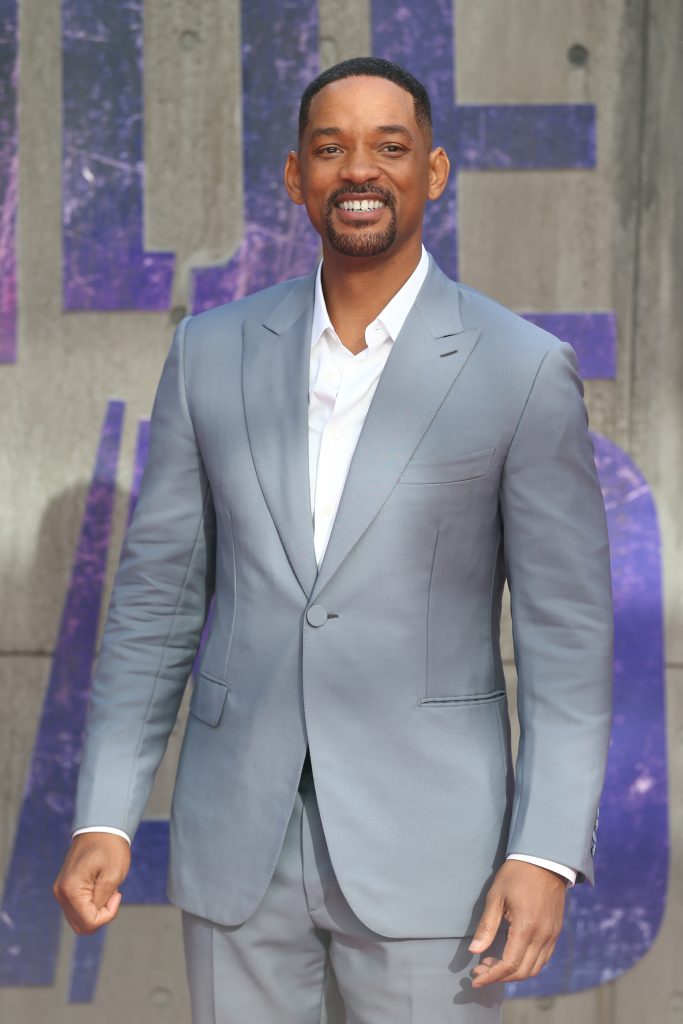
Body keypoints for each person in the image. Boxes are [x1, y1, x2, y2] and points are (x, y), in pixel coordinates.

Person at [54, 57, 613, 1023]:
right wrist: (106, 809)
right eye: (332, 148)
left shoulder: (521, 370)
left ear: (432, 171)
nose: (361, 169)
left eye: (389, 147)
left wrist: (544, 848)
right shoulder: (208, 353)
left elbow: (569, 639)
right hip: (238, 843)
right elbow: (156, 605)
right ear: (295, 176)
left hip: (436, 855)